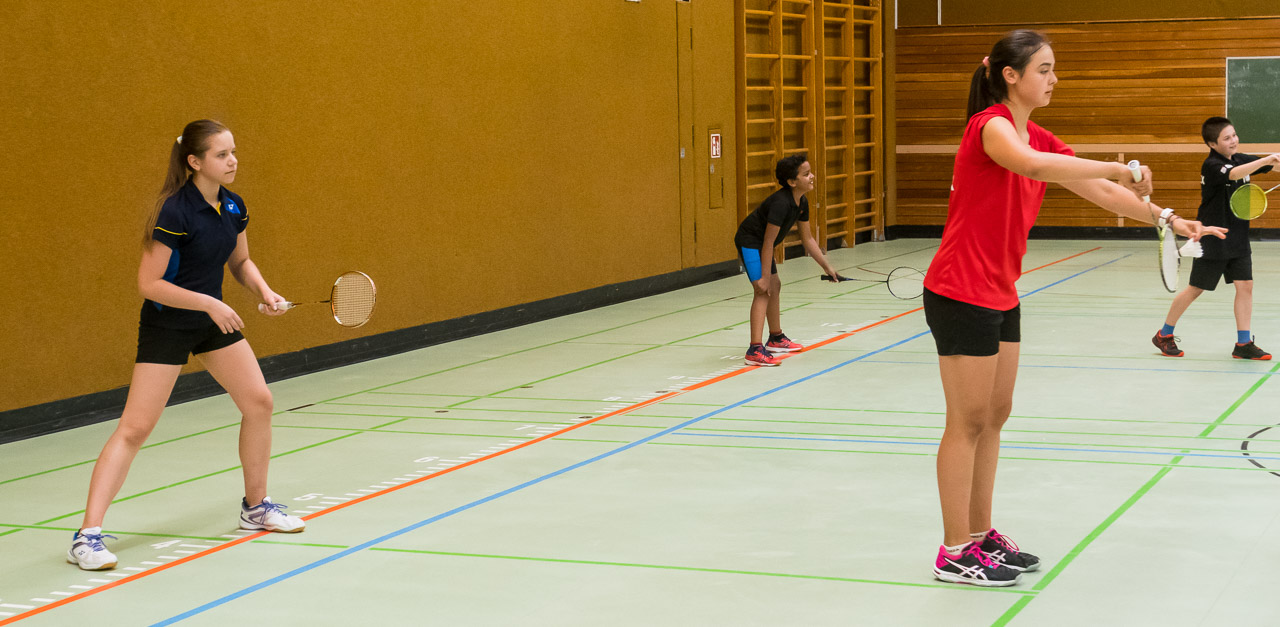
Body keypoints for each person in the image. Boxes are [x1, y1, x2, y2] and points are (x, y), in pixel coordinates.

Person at [924, 30, 1225, 586]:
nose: (1053, 79)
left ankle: (980, 534)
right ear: (1010, 75)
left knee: (994, 416)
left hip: (1001, 288)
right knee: (966, 422)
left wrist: (1166, 218)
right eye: (1044, 69)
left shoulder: (1038, 134)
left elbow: (1100, 191)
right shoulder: (990, 126)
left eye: (1053, 69)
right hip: (960, 288)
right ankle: (953, 550)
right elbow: (1034, 168)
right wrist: (1114, 167)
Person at [68, 120, 304, 571]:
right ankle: (87, 537)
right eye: (221, 155)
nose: (232, 161)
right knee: (135, 428)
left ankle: (256, 508)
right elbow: (149, 283)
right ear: (195, 161)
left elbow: (241, 260)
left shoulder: (233, 205)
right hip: (170, 324)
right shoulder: (173, 211)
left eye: (233, 152)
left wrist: (265, 291)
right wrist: (209, 303)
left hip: (211, 319)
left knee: (259, 402)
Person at [1152, 117, 1280, 359]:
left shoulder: (1240, 159)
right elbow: (1233, 174)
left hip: (1238, 236)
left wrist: (1272, 161)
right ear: (1212, 144)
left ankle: (1243, 344)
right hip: (1212, 237)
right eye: (1227, 138)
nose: (1233, 140)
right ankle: (1164, 334)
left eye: (1234, 135)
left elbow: (1272, 165)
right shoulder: (1211, 165)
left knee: (1246, 286)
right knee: (1196, 289)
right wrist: (1266, 160)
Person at [732, 154, 840, 367]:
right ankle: (754, 350)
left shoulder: (802, 202)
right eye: (806, 174)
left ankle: (776, 338)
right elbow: (768, 242)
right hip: (751, 242)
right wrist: (764, 277)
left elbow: (808, 239)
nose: (812, 176)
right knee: (763, 290)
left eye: (810, 172)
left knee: (775, 285)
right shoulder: (780, 204)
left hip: (763, 244)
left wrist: (827, 267)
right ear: (792, 182)